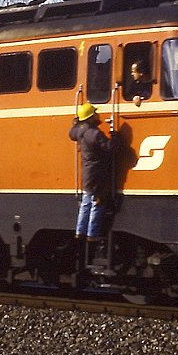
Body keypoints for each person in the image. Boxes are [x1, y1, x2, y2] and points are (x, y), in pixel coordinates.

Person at [70, 103, 113, 252]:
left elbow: (71, 133)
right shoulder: (94, 133)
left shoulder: (79, 132)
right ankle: (92, 233)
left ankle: (79, 231)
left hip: (87, 172)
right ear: (90, 117)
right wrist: (116, 137)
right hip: (96, 174)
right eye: (95, 113)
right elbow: (110, 147)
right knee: (97, 202)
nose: (97, 115)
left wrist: (75, 123)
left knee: (86, 203)